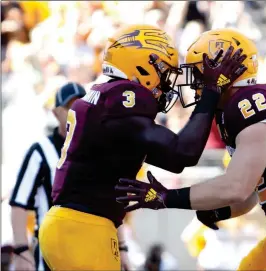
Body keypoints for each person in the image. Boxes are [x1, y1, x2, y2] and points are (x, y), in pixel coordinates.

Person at [116, 28, 266, 271]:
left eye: (201, 72)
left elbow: (236, 187)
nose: (198, 83)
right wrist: (218, 211)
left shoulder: (250, 103)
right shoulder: (237, 109)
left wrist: (167, 197)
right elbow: (250, 193)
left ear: (227, 70)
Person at [39, 24, 247, 271]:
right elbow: (183, 153)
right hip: (82, 227)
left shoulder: (106, 98)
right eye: (163, 71)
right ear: (142, 65)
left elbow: (172, 159)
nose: (166, 84)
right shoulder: (124, 95)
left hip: (78, 225)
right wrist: (211, 93)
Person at [9, 82, 86, 271]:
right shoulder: (40, 151)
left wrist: (122, 246)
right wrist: (21, 250)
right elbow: (19, 203)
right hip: (52, 255)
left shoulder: (99, 150)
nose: (76, 112)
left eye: (81, 106)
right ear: (55, 113)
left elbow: (108, 204)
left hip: (91, 250)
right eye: (70, 107)